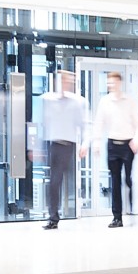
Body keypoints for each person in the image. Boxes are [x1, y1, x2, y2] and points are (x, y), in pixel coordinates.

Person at [35, 70, 90, 229]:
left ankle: (60, 214)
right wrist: (35, 147)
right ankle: (53, 217)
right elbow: (40, 122)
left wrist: (85, 143)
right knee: (54, 182)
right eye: (63, 80)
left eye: (68, 81)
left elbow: (85, 124)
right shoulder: (48, 100)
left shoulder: (77, 102)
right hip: (53, 144)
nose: (66, 83)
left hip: (68, 145)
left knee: (59, 180)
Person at [91, 71, 138, 229]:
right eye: (109, 83)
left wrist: (136, 139)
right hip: (112, 144)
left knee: (127, 179)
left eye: (113, 82)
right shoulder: (105, 101)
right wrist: (97, 142)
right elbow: (99, 122)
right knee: (115, 180)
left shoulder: (130, 101)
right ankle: (117, 217)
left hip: (127, 144)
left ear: (119, 83)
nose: (111, 85)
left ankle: (133, 206)